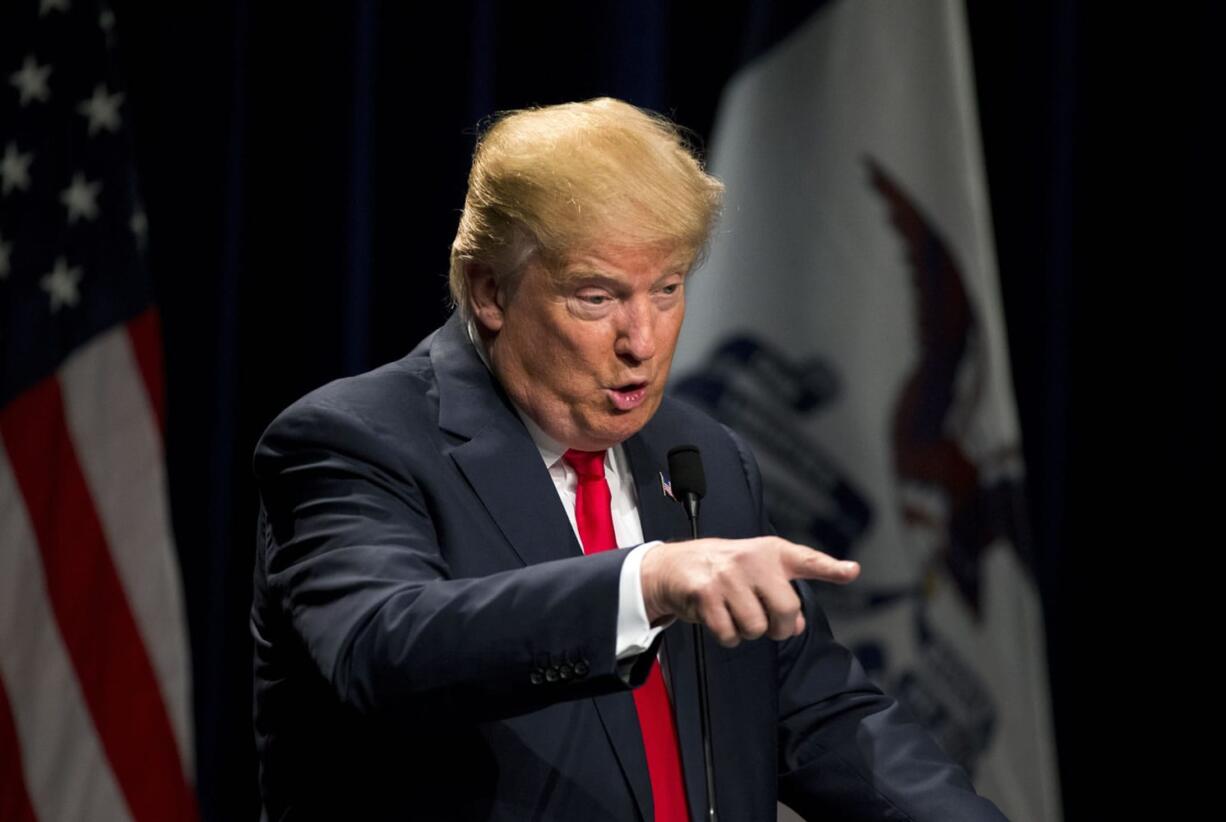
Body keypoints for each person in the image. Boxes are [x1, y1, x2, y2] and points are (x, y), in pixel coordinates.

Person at [251, 97, 1006, 821]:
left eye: (668, 288)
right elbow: (385, 648)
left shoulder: (703, 455)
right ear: (489, 291)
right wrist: (641, 583)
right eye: (596, 297)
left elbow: (816, 712)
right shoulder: (353, 441)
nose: (642, 340)